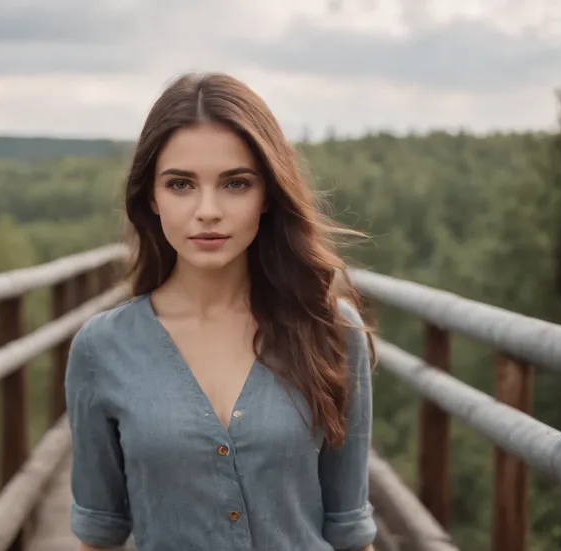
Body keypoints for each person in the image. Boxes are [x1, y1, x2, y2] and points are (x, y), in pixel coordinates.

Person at [65, 72, 377, 551]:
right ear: (151, 196)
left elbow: (350, 530)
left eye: (235, 183)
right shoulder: (102, 348)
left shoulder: (332, 331)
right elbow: (98, 535)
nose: (207, 210)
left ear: (267, 194)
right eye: (181, 184)